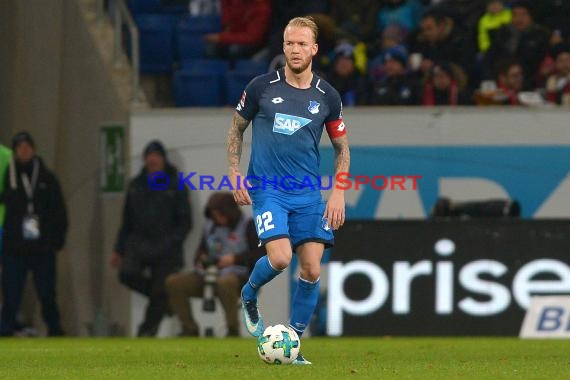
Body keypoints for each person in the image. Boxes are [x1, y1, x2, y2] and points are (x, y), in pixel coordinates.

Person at [226, 16, 350, 365]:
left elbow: (342, 147)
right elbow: (236, 128)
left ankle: (292, 344)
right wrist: (235, 173)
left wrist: (338, 192)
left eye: (301, 44)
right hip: (269, 189)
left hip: (308, 193)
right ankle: (249, 294)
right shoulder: (261, 87)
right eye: (289, 43)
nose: (294, 50)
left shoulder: (328, 96)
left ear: (314, 49)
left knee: (311, 269)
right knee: (280, 258)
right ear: (283, 46)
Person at [110, 140, 192, 337]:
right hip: (140, 245)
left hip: (167, 247)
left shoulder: (177, 183)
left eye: (156, 155)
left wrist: (173, 242)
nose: (152, 159)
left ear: (163, 159)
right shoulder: (135, 185)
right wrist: (119, 249)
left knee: (160, 288)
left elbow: (185, 222)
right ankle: (167, 304)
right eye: (149, 155)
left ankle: (146, 330)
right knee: (127, 274)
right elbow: (127, 221)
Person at [165, 192, 265, 337]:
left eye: (220, 214)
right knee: (174, 282)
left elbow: (260, 254)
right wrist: (201, 260)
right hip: (209, 274)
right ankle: (189, 329)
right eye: (214, 215)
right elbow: (199, 252)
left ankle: (232, 330)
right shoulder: (210, 226)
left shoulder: (248, 224)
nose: (217, 219)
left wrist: (234, 259)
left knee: (225, 282)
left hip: (238, 276)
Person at [0, 132, 67, 337]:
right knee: (11, 293)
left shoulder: (47, 178)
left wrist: (56, 241)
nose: (24, 150)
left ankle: (55, 330)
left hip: (41, 247)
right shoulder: (8, 177)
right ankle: (5, 331)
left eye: (27, 147)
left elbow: (59, 211)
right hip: (15, 248)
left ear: (34, 149)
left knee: (47, 293)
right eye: (20, 147)